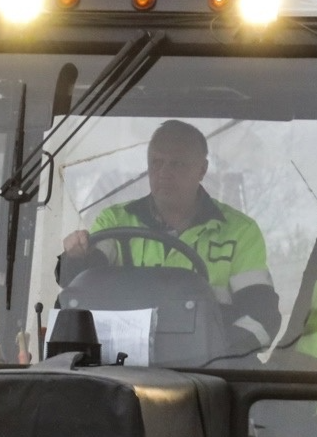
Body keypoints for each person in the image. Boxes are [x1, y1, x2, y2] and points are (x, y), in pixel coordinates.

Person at [61, 120, 281, 352]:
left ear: (202, 170)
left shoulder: (240, 232)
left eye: (177, 164)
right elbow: (80, 283)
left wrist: (220, 354)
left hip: (210, 374)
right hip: (119, 369)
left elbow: (261, 318)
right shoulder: (115, 221)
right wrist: (76, 255)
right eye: (156, 163)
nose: (164, 173)